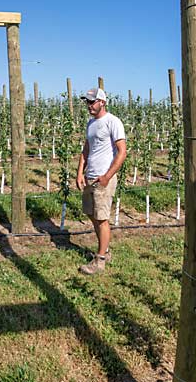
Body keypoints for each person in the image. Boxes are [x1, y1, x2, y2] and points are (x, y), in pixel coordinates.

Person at [76, 87, 127, 275]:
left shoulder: (113, 122)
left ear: (102, 102)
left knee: (102, 218)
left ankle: (100, 260)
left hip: (103, 178)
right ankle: (105, 250)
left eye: (91, 102)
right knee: (91, 214)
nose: (88, 105)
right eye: (87, 102)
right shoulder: (91, 123)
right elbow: (86, 149)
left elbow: (122, 152)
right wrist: (80, 172)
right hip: (90, 176)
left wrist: (107, 176)